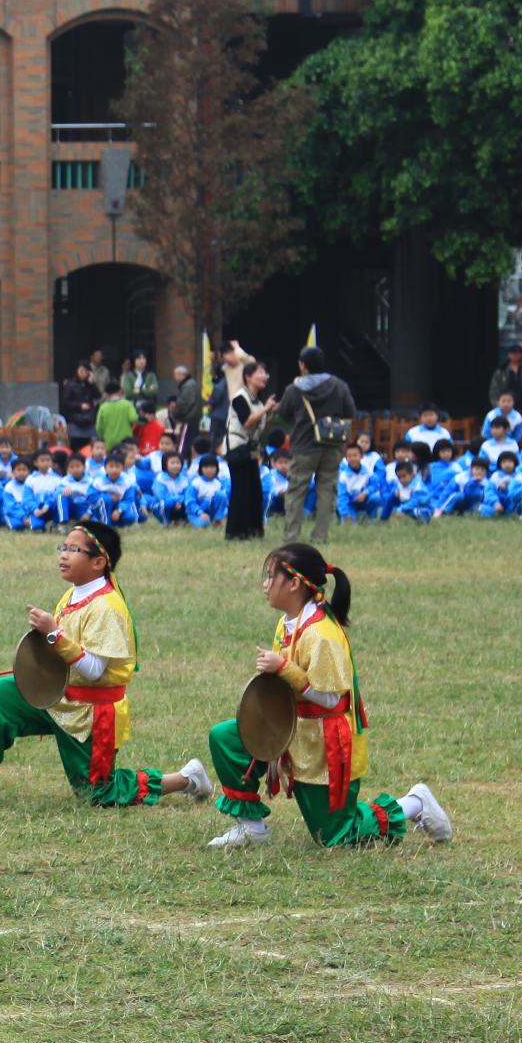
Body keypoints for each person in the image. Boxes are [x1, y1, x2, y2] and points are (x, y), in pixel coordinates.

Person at [0, 522, 214, 810]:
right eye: (63, 547)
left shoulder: (107, 607)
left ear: (98, 562)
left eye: (74, 549)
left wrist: (54, 634)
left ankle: (185, 779)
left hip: (90, 711)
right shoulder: (72, 595)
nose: (64, 554)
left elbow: (94, 670)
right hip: (57, 694)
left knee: (98, 793)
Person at [202, 544, 452, 850]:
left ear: (294, 584)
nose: (265, 585)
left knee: (337, 836)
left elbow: (332, 700)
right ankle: (251, 827)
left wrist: (284, 668)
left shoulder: (321, 634)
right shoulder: (288, 623)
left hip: (325, 744)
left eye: (270, 577)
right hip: (292, 729)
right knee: (226, 737)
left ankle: (415, 803)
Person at [279, 347, 354, 546]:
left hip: (303, 445)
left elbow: (284, 413)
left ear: (303, 366)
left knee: (297, 490)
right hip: (332, 444)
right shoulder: (339, 385)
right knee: (327, 490)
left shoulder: (295, 389)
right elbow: (350, 411)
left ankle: (292, 536)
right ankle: (321, 536)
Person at [220, 350, 273, 541]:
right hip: (237, 449)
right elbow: (247, 422)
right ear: (248, 377)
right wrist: (266, 409)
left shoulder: (257, 401)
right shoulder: (240, 397)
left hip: (250, 451)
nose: (264, 377)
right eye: (260, 373)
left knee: (254, 491)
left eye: (265, 373)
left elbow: (259, 426)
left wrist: (271, 413)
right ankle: (235, 533)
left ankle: (253, 529)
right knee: (240, 491)